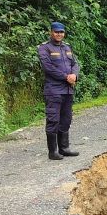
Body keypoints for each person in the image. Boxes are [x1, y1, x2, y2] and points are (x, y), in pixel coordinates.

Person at [37, 21, 80, 161]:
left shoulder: (67, 47)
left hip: (68, 90)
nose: (59, 34)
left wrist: (74, 75)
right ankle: (53, 151)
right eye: (56, 32)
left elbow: (75, 64)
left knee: (66, 119)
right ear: (51, 32)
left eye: (61, 32)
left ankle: (64, 148)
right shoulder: (44, 48)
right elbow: (47, 67)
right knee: (53, 119)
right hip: (53, 90)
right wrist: (66, 77)